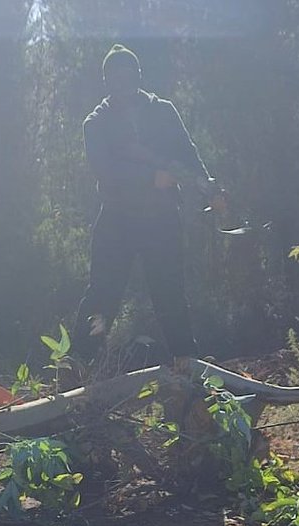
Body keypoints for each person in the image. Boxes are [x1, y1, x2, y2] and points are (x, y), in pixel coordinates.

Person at [72, 44, 226, 370]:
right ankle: (78, 366)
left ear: (138, 76)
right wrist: (150, 178)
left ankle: (186, 362)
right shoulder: (95, 122)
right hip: (117, 219)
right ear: (107, 81)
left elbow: (188, 154)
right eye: (116, 76)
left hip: (162, 218)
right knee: (102, 295)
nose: (123, 83)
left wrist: (209, 189)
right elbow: (105, 171)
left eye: (128, 75)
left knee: (170, 292)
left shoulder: (164, 111)